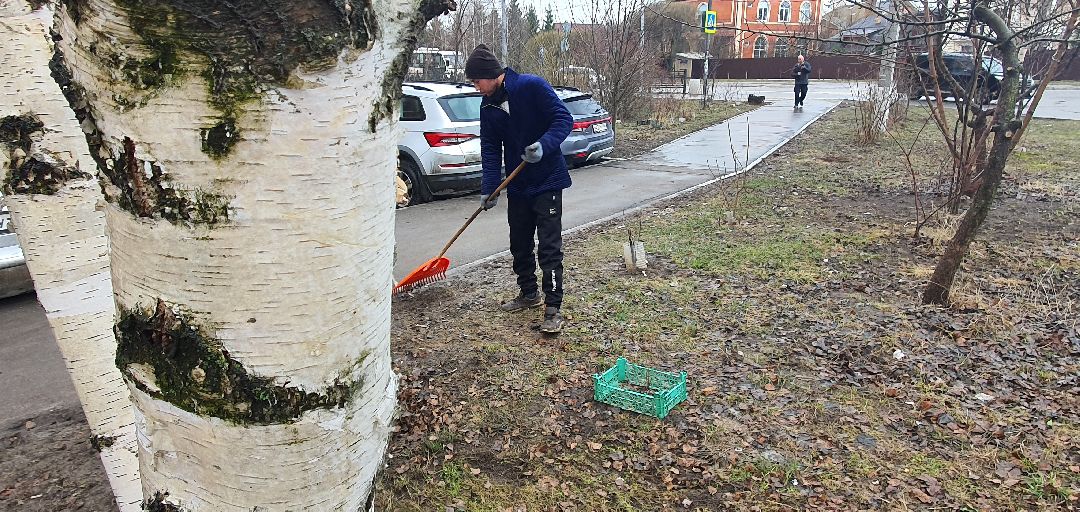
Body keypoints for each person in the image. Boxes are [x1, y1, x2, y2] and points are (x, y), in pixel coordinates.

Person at [465, 44, 574, 334]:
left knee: (549, 247)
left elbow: (564, 119)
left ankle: (553, 308)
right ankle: (529, 294)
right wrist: (489, 189)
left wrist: (544, 145)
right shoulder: (488, 107)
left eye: (477, 81)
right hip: (518, 185)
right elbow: (490, 150)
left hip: (547, 179)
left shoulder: (531, 86)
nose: (477, 88)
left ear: (491, 74)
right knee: (519, 243)